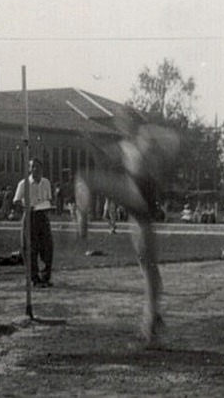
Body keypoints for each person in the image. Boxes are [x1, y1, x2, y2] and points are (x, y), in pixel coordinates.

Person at [75, 122, 180, 347]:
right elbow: (105, 157)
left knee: (150, 270)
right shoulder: (126, 146)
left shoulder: (143, 147)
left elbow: (156, 153)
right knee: (148, 268)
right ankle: (153, 317)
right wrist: (90, 142)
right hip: (136, 211)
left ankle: (151, 324)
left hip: (140, 203)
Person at [13, 158, 55, 287]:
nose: (36, 170)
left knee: (47, 246)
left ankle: (45, 276)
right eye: (33, 167)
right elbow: (16, 200)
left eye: (39, 167)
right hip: (30, 215)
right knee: (30, 247)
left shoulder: (46, 182)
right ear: (29, 169)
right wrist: (26, 206)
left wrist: (47, 208)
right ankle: (34, 278)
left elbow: (48, 198)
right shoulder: (23, 183)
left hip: (42, 215)